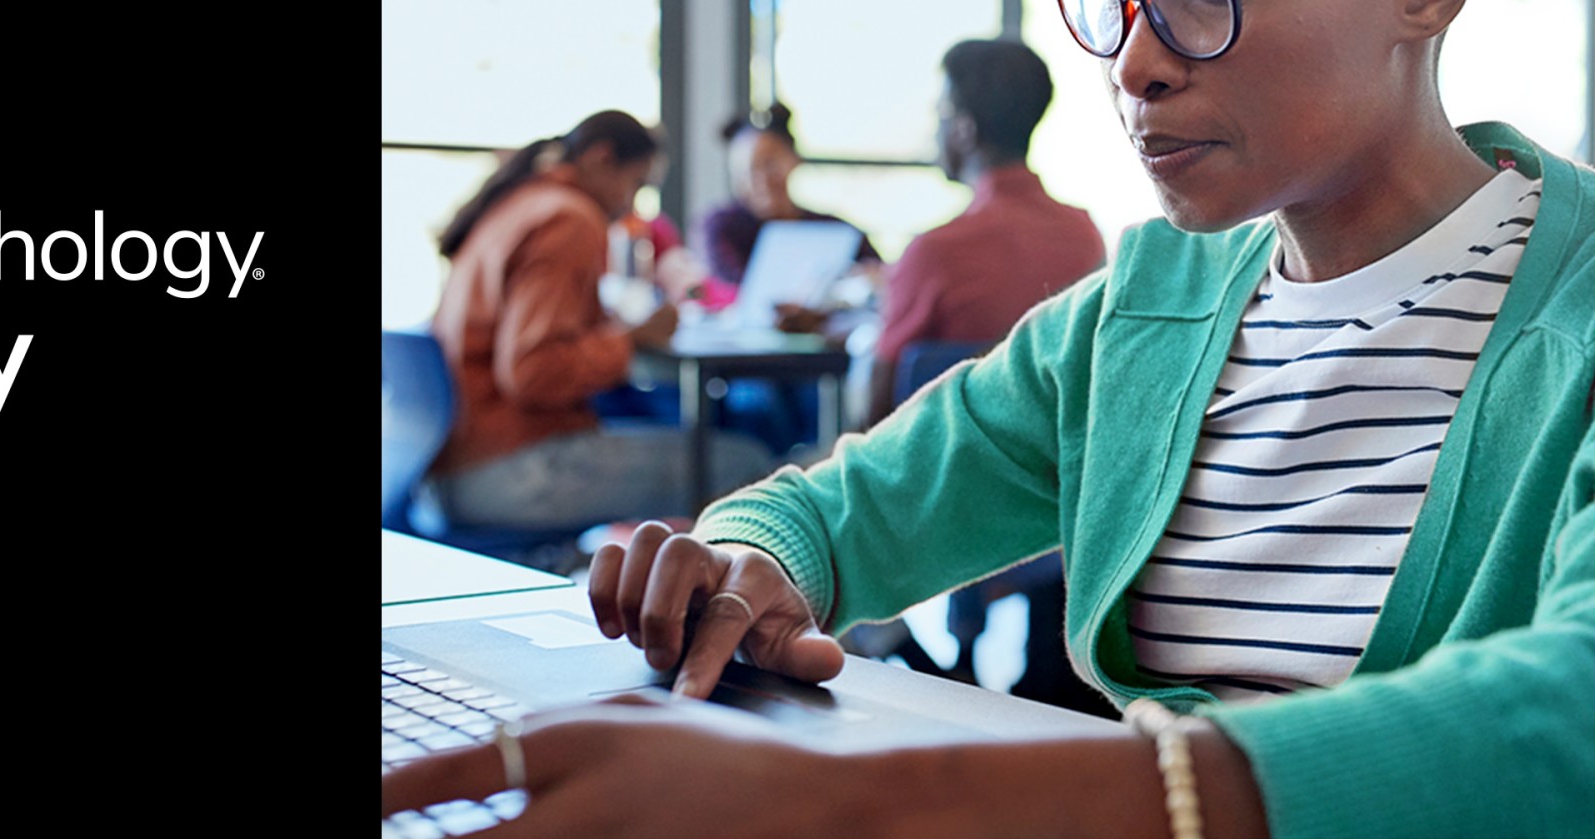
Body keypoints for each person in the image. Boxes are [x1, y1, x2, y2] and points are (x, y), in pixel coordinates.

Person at [385, 0, 1593, 836]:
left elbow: (1560, 718)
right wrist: (753, 564)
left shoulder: (1571, 308)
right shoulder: (1147, 311)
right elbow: (843, 502)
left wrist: (882, 803)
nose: (1131, 64)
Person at [422, 110, 775, 532]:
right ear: (600, 158)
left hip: (448, 468)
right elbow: (532, 371)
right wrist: (631, 338)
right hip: (507, 468)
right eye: (636, 184)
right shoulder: (569, 218)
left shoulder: (516, 203)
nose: (631, 205)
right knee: (747, 463)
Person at [867, 37, 1108, 427]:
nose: (935, 130)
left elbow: (877, 416)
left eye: (940, 114)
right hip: (1054, 467)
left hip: (942, 467)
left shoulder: (934, 251)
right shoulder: (1084, 235)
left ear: (964, 128)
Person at [695, 102, 882, 301]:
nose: (760, 180)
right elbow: (733, 291)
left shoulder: (834, 229)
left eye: (770, 164)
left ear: (794, 160)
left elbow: (882, 277)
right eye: (746, 171)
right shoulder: (721, 227)